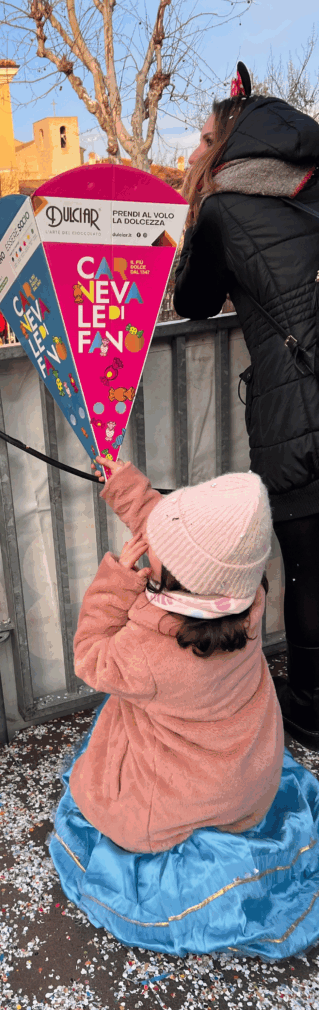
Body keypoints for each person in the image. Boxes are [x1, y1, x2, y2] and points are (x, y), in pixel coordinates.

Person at [49, 454, 319, 958]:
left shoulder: (151, 652)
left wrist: (117, 582)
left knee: (111, 768)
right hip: (244, 773)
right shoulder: (246, 595)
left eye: (159, 547)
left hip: (175, 799)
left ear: (177, 574)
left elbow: (89, 656)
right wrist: (125, 486)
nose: (150, 542)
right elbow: (181, 538)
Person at [173, 64, 319, 751]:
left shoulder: (224, 207)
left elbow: (194, 302)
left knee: (309, 575)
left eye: (206, 140)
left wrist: (191, 225)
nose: (196, 152)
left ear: (232, 144)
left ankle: (310, 711)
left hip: (297, 421)